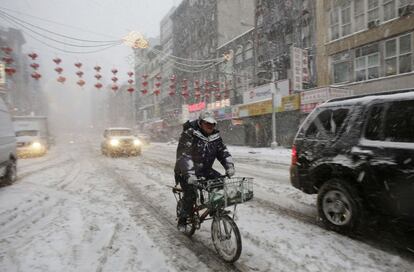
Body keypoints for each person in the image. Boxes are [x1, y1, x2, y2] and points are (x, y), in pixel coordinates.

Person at [174, 110, 235, 231]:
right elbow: (184, 156)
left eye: (212, 124)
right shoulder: (189, 134)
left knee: (219, 184)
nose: (210, 126)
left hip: (204, 170)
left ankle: (215, 210)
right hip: (185, 171)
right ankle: (183, 219)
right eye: (207, 124)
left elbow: (223, 152)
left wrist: (229, 166)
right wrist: (190, 174)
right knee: (190, 194)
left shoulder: (215, 137)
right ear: (200, 123)